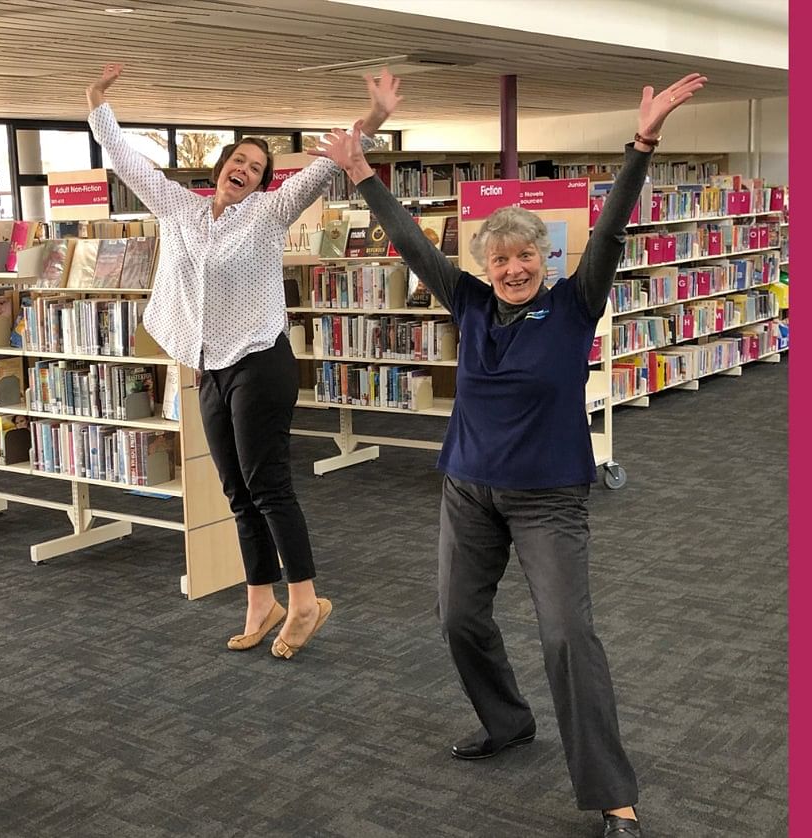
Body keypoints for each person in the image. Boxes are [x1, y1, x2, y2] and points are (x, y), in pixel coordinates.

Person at [313, 71, 707, 837]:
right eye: (501, 261)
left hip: (549, 496)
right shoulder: (467, 301)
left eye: (525, 256)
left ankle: (612, 795)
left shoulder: (574, 302)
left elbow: (615, 227)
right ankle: (506, 721)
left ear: (545, 258)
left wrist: (644, 142)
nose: (513, 269)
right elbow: (410, 242)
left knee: (566, 634)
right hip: (468, 488)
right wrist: (362, 173)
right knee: (457, 616)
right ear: (488, 266)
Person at [83, 63, 393, 658]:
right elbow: (126, 160)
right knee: (235, 491)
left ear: (262, 181)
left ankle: (304, 599)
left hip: (259, 360)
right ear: (220, 166)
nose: (244, 170)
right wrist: (98, 103)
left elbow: (328, 169)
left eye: (256, 167)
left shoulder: (269, 214)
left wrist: (374, 118)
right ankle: (261, 600)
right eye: (238, 161)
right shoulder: (178, 207)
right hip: (208, 367)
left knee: (268, 483)